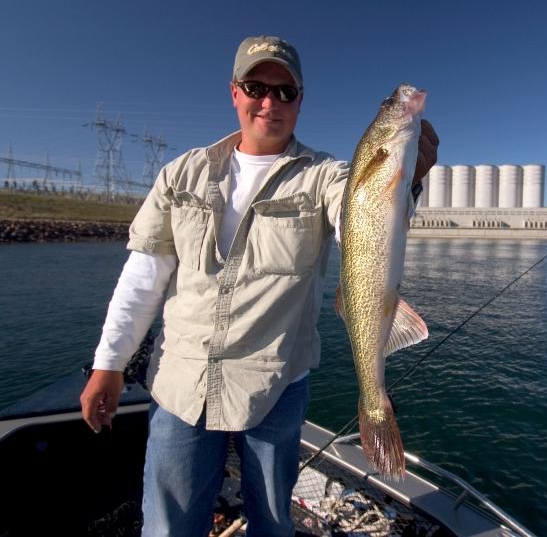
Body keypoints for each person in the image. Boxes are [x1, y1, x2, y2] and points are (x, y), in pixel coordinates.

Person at [80, 35, 439, 537]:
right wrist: (108, 364)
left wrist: (408, 182)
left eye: (285, 91)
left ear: (300, 100)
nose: (269, 101)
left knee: (273, 524)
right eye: (256, 87)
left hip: (275, 389)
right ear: (235, 93)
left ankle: (369, 406)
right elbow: (143, 279)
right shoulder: (180, 174)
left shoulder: (328, 176)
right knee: (168, 526)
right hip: (181, 385)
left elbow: (364, 222)